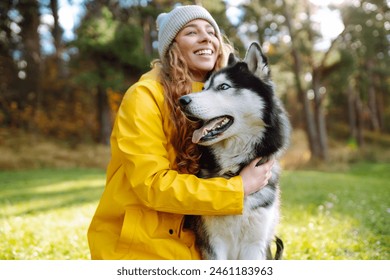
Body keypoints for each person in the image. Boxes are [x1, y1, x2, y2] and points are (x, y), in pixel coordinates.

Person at [87, 5, 274, 260]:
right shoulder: (143, 97)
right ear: (172, 47)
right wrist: (238, 188)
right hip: (141, 247)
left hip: (193, 246)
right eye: (191, 32)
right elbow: (152, 185)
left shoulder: (219, 101)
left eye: (211, 32)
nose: (206, 37)